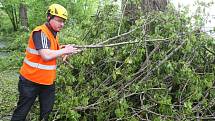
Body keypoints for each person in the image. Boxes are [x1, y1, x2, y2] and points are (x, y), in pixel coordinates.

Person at [11, 4, 81, 121]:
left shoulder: (53, 35)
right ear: (49, 17)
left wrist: (63, 52)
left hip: (47, 82)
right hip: (30, 81)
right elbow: (45, 55)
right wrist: (64, 50)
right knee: (21, 112)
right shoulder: (41, 32)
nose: (62, 24)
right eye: (59, 20)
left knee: (46, 112)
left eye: (63, 21)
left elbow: (52, 53)